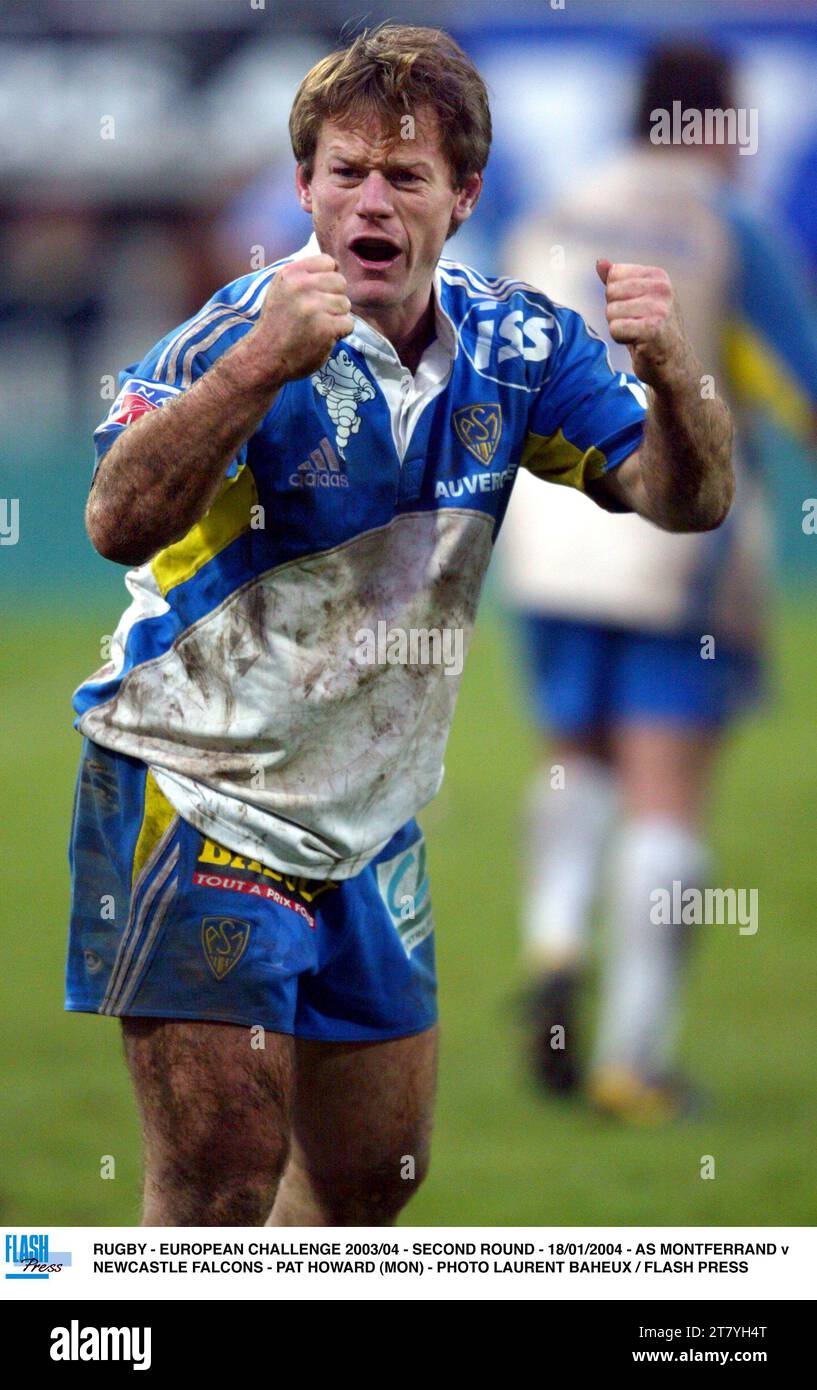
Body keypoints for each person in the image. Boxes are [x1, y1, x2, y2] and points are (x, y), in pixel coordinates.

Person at [65, 23, 733, 1225]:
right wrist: (253, 371)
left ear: (462, 196)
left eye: (406, 175)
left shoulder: (520, 346)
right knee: (219, 1185)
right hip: (199, 790)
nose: (371, 199)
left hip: (369, 824)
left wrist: (672, 370)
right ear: (307, 188)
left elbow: (686, 501)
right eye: (345, 172)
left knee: (373, 1186)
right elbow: (113, 517)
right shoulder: (238, 331)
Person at [499, 42, 817, 1123]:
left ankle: (551, 941)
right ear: (718, 125)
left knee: (571, 753)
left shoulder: (555, 209)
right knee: (664, 788)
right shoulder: (726, 226)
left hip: (547, 531)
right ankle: (633, 1058)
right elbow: (801, 383)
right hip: (674, 539)